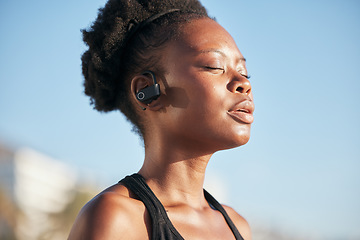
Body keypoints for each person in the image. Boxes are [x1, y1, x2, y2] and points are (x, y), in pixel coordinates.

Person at [68, 0, 254, 239]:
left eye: (244, 71)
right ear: (148, 91)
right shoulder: (117, 219)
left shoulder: (238, 227)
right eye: (214, 66)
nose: (244, 83)